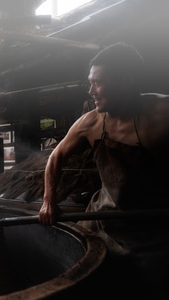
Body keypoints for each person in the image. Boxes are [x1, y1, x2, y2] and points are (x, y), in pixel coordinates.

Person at [38, 42, 169, 297]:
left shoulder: (162, 115)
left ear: (126, 81)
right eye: (90, 82)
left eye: (98, 83)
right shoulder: (92, 123)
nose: (91, 91)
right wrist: (48, 200)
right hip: (101, 222)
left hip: (153, 232)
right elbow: (57, 156)